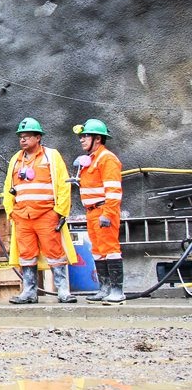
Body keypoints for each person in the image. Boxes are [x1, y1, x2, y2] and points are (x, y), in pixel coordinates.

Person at [2, 117, 77, 304]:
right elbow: (7, 187)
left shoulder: (51, 156)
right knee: (26, 255)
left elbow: (63, 184)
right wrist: (10, 211)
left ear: (38, 138)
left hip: (46, 214)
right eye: (21, 136)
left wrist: (60, 211)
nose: (22, 140)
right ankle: (29, 292)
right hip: (22, 216)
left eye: (27, 136)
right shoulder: (15, 160)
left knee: (55, 253)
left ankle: (63, 291)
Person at [73, 118, 125, 304]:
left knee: (110, 250)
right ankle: (105, 288)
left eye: (85, 136)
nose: (82, 139)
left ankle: (117, 291)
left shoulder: (107, 159)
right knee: (97, 251)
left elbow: (113, 189)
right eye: (82, 136)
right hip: (92, 212)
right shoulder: (91, 160)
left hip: (104, 210)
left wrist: (108, 214)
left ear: (98, 138)